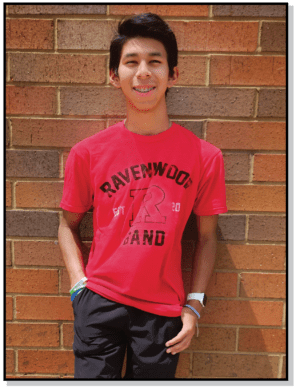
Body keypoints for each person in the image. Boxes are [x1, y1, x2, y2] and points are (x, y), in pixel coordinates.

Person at [58, 13, 227, 379]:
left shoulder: (205, 157)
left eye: (155, 61)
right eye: (131, 62)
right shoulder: (88, 153)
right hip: (99, 304)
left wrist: (194, 305)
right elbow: (66, 224)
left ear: (173, 74)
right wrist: (78, 287)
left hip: (162, 312)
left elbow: (208, 236)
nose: (143, 72)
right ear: (114, 76)